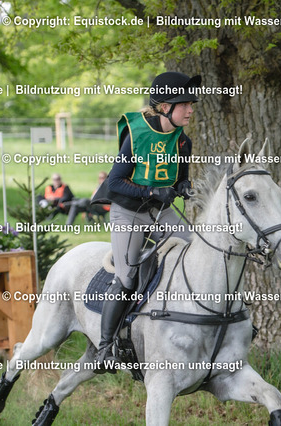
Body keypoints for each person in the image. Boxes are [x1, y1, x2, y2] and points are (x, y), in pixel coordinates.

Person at [94, 71, 200, 373]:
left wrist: (183, 187)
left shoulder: (182, 141)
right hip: (128, 212)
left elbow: (179, 179)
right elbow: (114, 182)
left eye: (191, 104)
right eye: (184, 104)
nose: (190, 110)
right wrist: (153, 191)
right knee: (126, 277)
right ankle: (105, 347)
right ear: (165, 106)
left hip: (160, 212)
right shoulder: (137, 135)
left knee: (194, 251)